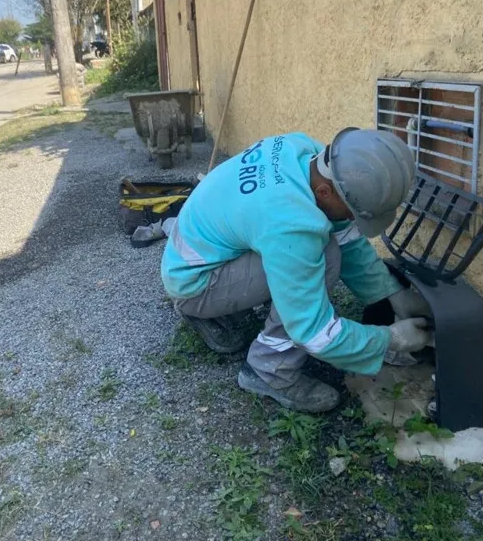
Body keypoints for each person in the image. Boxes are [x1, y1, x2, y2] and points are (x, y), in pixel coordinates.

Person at [160, 129, 433, 413]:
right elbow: (313, 332)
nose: (354, 218)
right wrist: (391, 340)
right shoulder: (290, 224)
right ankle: (269, 371)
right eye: (353, 211)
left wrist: (391, 291)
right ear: (325, 191)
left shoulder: (308, 154)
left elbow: (346, 235)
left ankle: (220, 313)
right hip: (196, 282)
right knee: (325, 255)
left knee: (319, 244)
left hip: (199, 255)